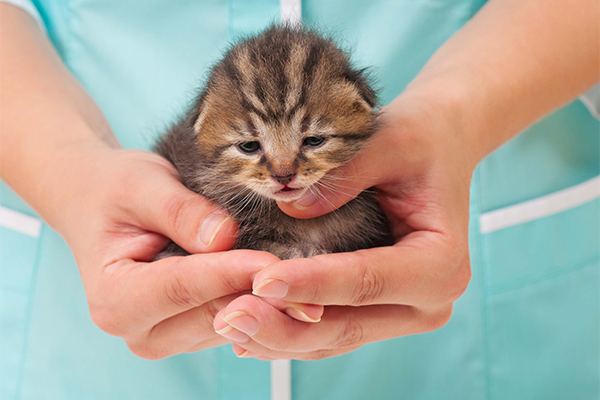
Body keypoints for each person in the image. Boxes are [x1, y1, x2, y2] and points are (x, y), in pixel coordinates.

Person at [1, 0, 598, 399]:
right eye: (258, 150)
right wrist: (67, 170)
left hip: (488, 324)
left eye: (311, 142)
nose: (285, 173)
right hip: (83, 327)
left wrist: (458, 120)